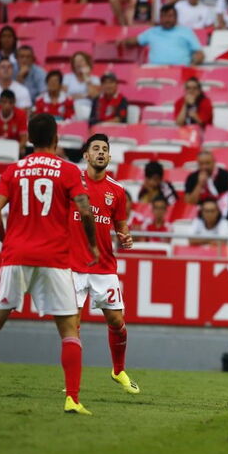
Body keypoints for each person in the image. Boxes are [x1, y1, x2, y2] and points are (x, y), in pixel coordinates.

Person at [0, 113, 99, 415]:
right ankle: (72, 399)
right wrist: (92, 244)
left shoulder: (13, 169)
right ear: (56, 139)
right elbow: (85, 211)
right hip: (54, 260)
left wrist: (7, 241)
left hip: (16, 256)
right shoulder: (68, 171)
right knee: (69, 331)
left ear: (28, 140)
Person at [69, 134, 138, 394]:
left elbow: (120, 224)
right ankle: (72, 384)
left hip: (104, 266)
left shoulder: (116, 190)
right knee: (72, 325)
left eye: (104, 149)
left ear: (109, 157)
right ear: (86, 155)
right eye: (95, 148)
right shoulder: (71, 183)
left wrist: (125, 236)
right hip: (73, 265)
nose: (100, 152)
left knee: (117, 321)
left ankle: (118, 370)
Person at [118, 4, 204, 66]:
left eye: (170, 16)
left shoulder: (186, 31)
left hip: (180, 69)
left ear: (176, 18)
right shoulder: (152, 32)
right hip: (154, 71)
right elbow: (134, 41)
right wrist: (123, 41)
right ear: (160, 18)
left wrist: (192, 65)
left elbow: (199, 53)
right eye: (164, 16)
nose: (167, 19)